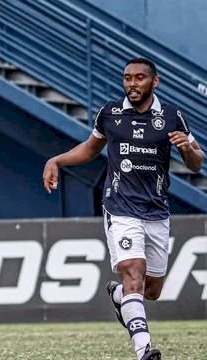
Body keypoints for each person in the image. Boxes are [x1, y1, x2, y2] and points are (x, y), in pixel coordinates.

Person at [42, 58, 203, 360]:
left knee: (151, 289)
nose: (132, 84)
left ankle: (118, 296)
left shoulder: (171, 116)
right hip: (120, 208)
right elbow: (90, 149)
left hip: (156, 211)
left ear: (154, 82)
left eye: (139, 78)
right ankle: (144, 350)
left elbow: (197, 162)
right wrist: (57, 160)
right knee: (134, 273)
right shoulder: (110, 114)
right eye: (127, 78)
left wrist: (187, 149)